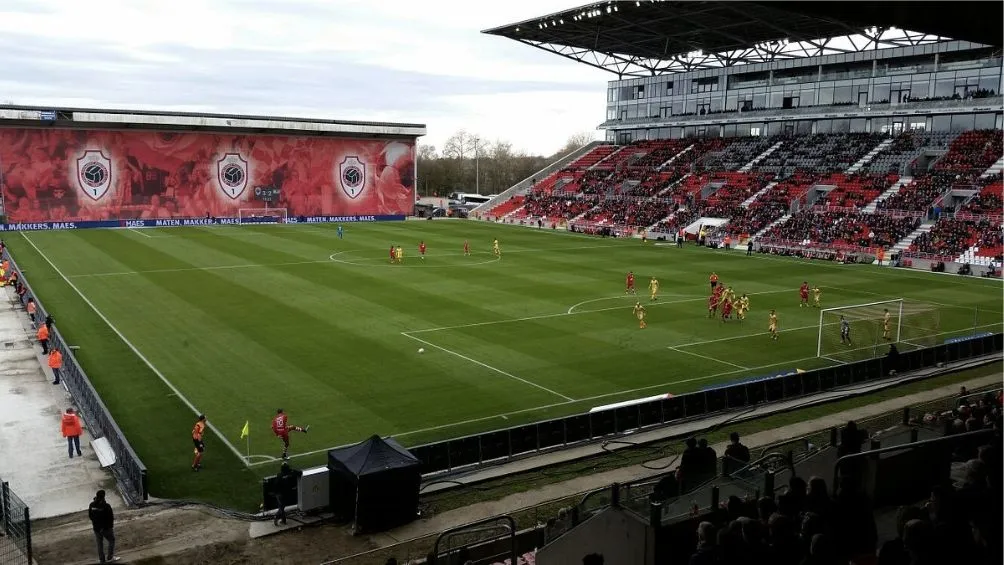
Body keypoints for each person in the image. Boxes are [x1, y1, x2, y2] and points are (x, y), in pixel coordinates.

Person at [88, 490, 119, 563]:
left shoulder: (91, 505)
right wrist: (110, 527)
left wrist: (96, 524)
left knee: (99, 543)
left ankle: (102, 559)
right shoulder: (106, 506)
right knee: (111, 540)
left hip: (96, 529)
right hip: (106, 528)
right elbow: (110, 517)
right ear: (104, 496)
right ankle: (110, 557)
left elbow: (90, 516)